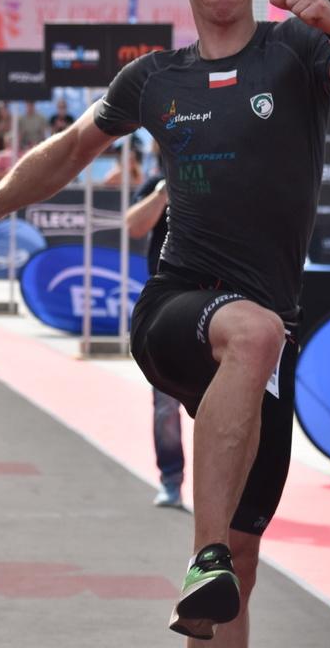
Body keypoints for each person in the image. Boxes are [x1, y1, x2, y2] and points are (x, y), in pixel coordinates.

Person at [0, 0, 330, 645]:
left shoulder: (297, 48)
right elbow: (68, 150)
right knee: (252, 333)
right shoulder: (155, 78)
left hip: (268, 337)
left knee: (241, 573)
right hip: (176, 309)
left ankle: (215, 569)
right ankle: (204, 552)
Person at [125, 144, 185, 510]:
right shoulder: (156, 185)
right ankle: (171, 480)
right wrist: (163, 193)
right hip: (165, 304)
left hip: (216, 298)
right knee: (165, 403)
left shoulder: (221, 183)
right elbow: (134, 226)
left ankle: (230, 494)